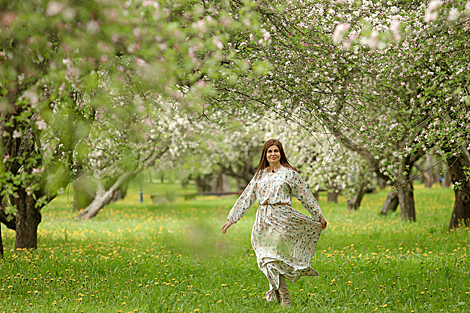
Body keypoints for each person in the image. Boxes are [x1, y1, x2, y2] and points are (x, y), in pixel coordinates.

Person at [221, 139, 327, 307]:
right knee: (266, 258)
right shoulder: (260, 175)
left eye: (276, 151)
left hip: (282, 217)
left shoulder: (289, 173)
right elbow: (247, 197)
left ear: (281, 153)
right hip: (263, 219)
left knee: (275, 256)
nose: (273, 154)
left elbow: (305, 195)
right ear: (265, 155)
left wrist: (318, 215)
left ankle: (285, 299)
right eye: (269, 151)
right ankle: (278, 295)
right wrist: (231, 219)